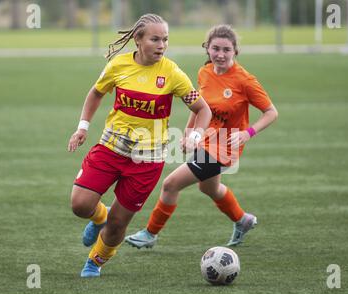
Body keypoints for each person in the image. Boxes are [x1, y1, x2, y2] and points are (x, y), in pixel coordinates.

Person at [68, 14, 212, 278]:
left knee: (118, 224)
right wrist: (83, 128)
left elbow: (203, 109)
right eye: (155, 39)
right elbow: (96, 92)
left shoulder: (172, 73)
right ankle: (100, 216)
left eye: (165, 39)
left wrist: (195, 135)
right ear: (138, 40)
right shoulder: (118, 65)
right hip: (110, 148)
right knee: (80, 205)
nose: (162, 45)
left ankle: (94, 262)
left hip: (147, 161)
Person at [125, 24, 278, 249]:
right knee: (208, 188)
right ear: (207, 49)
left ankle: (150, 234)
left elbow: (271, 112)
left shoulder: (244, 81)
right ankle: (242, 220)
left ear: (236, 51)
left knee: (170, 185)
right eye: (215, 48)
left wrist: (248, 133)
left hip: (224, 148)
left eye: (227, 49)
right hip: (205, 142)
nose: (220, 54)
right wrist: (189, 134)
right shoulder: (204, 72)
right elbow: (198, 107)